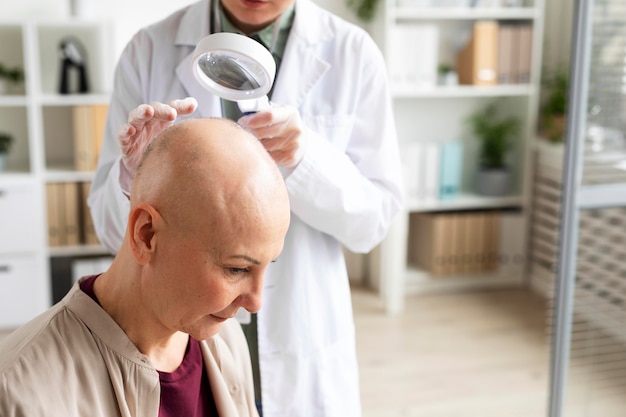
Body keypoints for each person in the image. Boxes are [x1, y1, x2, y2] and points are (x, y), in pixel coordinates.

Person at [88, 0, 404, 415]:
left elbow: (374, 221)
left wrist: (305, 159)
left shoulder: (352, 52)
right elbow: (114, 231)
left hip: (300, 325)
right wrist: (137, 175)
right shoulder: (149, 50)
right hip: (182, 333)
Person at [0, 118, 291, 417]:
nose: (255, 303)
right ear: (146, 234)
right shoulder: (19, 392)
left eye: (268, 265)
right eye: (236, 269)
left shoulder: (224, 338)